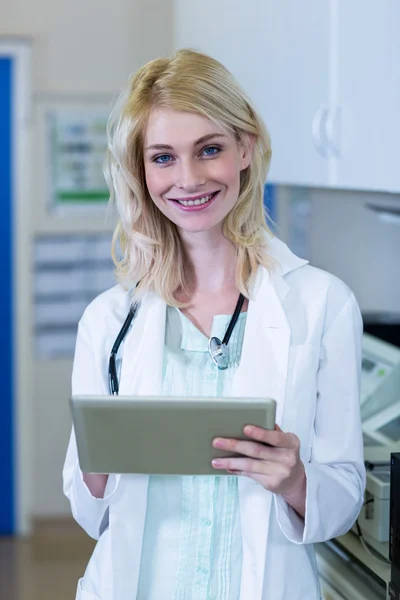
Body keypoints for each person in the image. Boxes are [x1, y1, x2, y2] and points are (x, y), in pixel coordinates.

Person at [63, 49, 365, 600]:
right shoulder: (110, 320)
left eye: (209, 149)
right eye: (162, 158)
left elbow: (343, 498)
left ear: (245, 148)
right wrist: (96, 473)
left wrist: (296, 480)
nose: (189, 179)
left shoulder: (323, 304)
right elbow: (90, 511)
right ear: (140, 169)